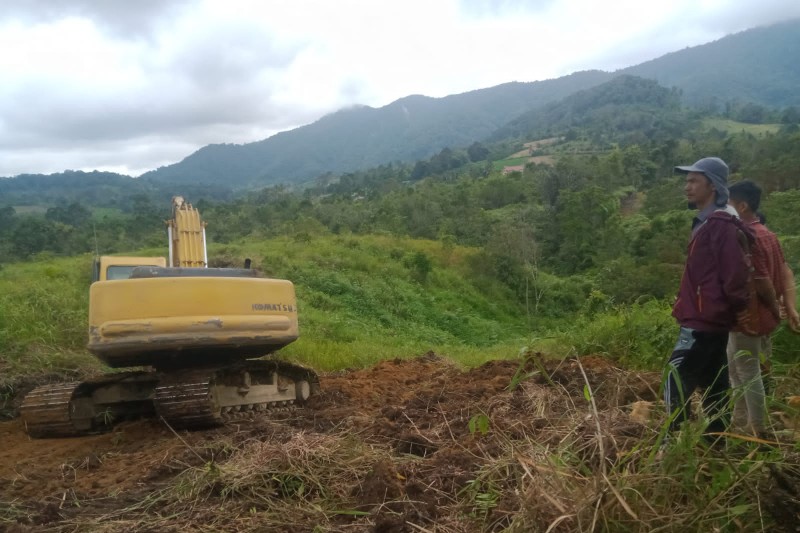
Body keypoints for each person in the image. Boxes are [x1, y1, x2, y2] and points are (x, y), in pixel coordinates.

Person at [664, 157, 752, 439]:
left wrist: (738, 308)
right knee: (715, 382)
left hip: (703, 317)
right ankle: (716, 441)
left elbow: (735, 272)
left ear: (712, 186)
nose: (687, 187)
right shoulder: (708, 222)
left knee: (676, 376)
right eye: (686, 181)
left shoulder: (720, 225)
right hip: (709, 315)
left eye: (694, 181)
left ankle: (671, 441)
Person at [726, 180, 800, 437]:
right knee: (743, 369)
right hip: (765, 318)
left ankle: (756, 430)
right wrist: (787, 308)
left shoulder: (745, 236)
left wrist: (773, 305)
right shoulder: (768, 234)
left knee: (746, 371)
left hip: (749, 317)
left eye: (729, 203)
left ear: (742, 206)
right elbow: (784, 270)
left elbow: (762, 280)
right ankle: (742, 421)